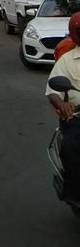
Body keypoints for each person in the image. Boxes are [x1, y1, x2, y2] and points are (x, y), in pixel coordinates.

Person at [46, 11, 80, 203]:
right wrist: (62, 103)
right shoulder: (67, 61)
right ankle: (75, 193)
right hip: (77, 118)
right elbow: (52, 90)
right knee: (70, 147)